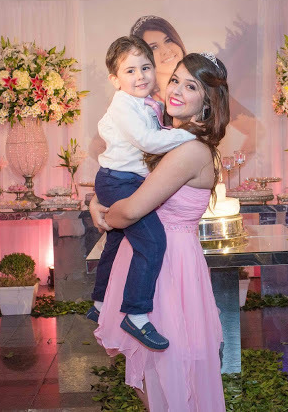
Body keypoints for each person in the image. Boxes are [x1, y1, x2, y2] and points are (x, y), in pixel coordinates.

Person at [92, 52, 229, 411]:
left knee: (169, 372)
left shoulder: (190, 150)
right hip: (148, 259)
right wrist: (97, 202)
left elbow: (131, 210)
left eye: (191, 86)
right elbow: (124, 179)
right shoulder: (167, 137)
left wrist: (106, 214)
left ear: (207, 103)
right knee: (151, 375)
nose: (177, 91)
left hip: (168, 266)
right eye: (175, 80)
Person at [87, 36, 196, 352]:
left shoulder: (147, 102)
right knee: (153, 242)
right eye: (130, 71)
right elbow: (148, 141)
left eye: (145, 67)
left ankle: (100, 301)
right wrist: (187, 136)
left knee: (116, 243)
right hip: (119, 181)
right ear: (115, 80)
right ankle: (136, 314)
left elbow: (153, 137)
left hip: (123, 179)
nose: (141, 76)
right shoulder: (123, 105)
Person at [131, 15, 186, 104]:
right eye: (154, 47)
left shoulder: (204, 84)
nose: (166, 51)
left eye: (168, 40)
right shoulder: (144, 106)